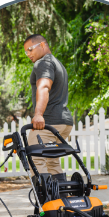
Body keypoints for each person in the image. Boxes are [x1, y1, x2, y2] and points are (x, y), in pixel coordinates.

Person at [23, 34, 73, 188]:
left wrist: (38, 114)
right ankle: (63, 202)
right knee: (52, 161)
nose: (29, 54)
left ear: (43, 45)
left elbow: (44, 86)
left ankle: (48, 202)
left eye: (30, 49)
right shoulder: (57, 63)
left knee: (35, 159)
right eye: (26, 52)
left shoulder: (42, 63)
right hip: (64, 122)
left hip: (49, 121)